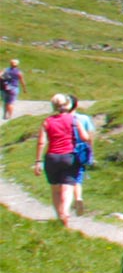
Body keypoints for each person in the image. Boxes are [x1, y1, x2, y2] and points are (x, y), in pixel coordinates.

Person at [36, 94, 92, 225]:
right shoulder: (73, 119)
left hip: (52, 157)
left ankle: (59, 215)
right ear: (68, 105)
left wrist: (38, 161)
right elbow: (84, 137)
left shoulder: (47, 121)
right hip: (69, 157)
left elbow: (41, 142)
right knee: (67, 188)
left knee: (55, 189)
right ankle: (65, 212)